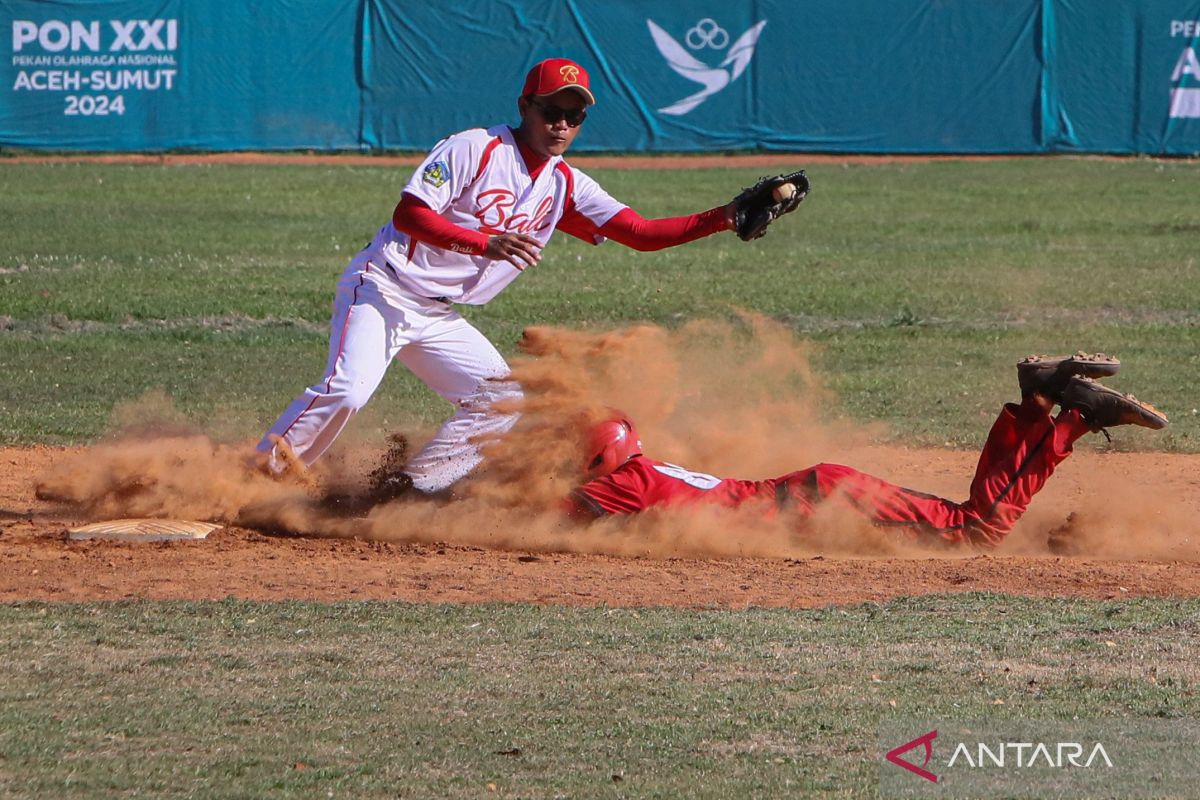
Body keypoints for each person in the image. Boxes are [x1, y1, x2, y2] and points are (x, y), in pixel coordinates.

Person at [257, 57, 749, 497]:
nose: (560, 124)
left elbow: (640, 233)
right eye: (550, 110)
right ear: (525, 106)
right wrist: (483, 243)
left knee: (500, 400)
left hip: (436, 313)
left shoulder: (566, 183)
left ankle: (407, 489)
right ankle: (255, 477)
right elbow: (410, 214)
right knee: (348, 389)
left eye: (573, 115)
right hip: (383, 286)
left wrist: (723, 216)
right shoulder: (477, 148)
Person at [568, 354, 1169, 548]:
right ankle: (1040, 402)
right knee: (967, 521)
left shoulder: (617, 485)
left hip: (830, 502)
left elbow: (546, 516)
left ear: (598, 463)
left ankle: (1075, 419)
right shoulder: (642, 467)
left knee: (976, 532)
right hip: (817, 490)